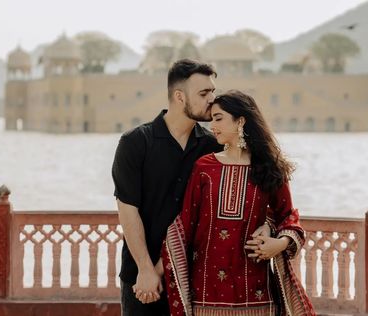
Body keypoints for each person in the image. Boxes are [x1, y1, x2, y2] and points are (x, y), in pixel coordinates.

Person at [112, 60, 270, 316]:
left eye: (213, 91)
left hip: (196, 280)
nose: (212, 99)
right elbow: (128, 211)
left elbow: (252, 192)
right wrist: (145, 269)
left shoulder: (214, 147)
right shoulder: (135, 143)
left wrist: (267, 226)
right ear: (179, 97)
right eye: (203, 93)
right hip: (143, 277)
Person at [162, 90, 316, 315]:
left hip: (258, 294)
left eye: (218, 118)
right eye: (211, 119)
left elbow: (288, 218)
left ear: (240, 120)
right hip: (206, 294)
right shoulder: (204, 168)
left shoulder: (269, 168)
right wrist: (154, 269)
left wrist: (279, 243)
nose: (212, 126)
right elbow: (184, 226)